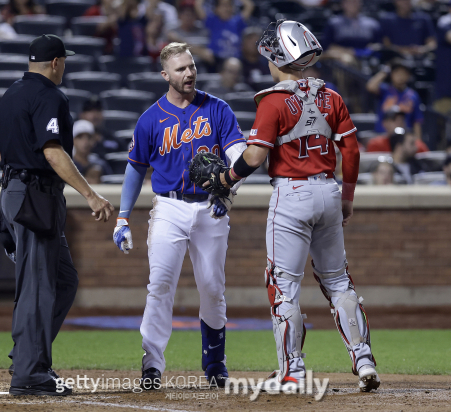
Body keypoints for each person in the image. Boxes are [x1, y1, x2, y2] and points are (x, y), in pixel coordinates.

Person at [213, 20, 380, 393]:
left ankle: (292, 371)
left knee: (283, 286)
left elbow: (254, 156)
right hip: (328, 192)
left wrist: (226, 179)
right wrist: (348, 197)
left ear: (276, 57)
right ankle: (363, 357)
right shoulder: (331, 97)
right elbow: (350, 151)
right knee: (338, 281)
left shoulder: (272, 101)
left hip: (291, 195)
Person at [112, 42, 247, 390]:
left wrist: (227, 192)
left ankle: (215, 364)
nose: (188, 73)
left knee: (212, 288)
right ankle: (152, 365)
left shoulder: (217, 109)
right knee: (159, 285)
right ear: (165, 75)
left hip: (209, 206)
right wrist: (123, 217)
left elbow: (240, 156)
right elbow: (134, 169)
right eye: (180, 69)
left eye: (191, 67)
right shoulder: (150, 119)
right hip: (168, 205)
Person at [0, 34, 113, 396]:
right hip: (35, 195)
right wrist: (91, 194)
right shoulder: (50, 96)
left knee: (62, 280)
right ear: (56, 62)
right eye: (64, 60)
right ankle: (30, 373)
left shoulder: (11, 93)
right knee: (38, 287)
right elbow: (52, 152)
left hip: (18, 191)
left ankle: (28, 355)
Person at [366, 59, 424, 140]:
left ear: (408, 76)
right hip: (382, 135)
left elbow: (417, 121)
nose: (400, 76)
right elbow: (370, 86)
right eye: (397, 72)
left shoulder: (413, 96)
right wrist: (386, 70)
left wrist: (418, 141)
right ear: (391, 74)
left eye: (403, 73)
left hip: (403, 138)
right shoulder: (385, 90)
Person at [320, 0, 382, 66]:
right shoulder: (334, 23)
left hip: (366, 59)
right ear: (343, 4)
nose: (352, 4)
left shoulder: (372, 24)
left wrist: (362, 52)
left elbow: (378, 46)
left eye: (355, 1)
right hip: (341, 60)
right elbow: (328, 47)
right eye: (349, 2)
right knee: (346, 60)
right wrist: (348, 52)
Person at [194, 0, 254, 65]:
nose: (227, 8)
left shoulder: (237, 22)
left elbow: (249, 5)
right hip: (215, 60)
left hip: (235, 60)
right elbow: (198, 4)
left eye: (229, 5)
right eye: (223, 5)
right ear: (216, 9)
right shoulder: (212, 21)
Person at [167, 1, 213, 68]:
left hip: (201, 68)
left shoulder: (203, 31)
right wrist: (200, 52)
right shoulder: (172, 31)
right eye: (186, 14)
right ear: (179, 15)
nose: (189, 17)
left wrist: (179, 41)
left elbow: (208, 56)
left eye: (192, 14)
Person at [72, 119, 112, 183]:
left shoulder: (101, 164)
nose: (85, 142)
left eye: (89, 137)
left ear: (94, 140)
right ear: (73, 140)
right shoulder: (67, 164)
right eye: (80, 137)